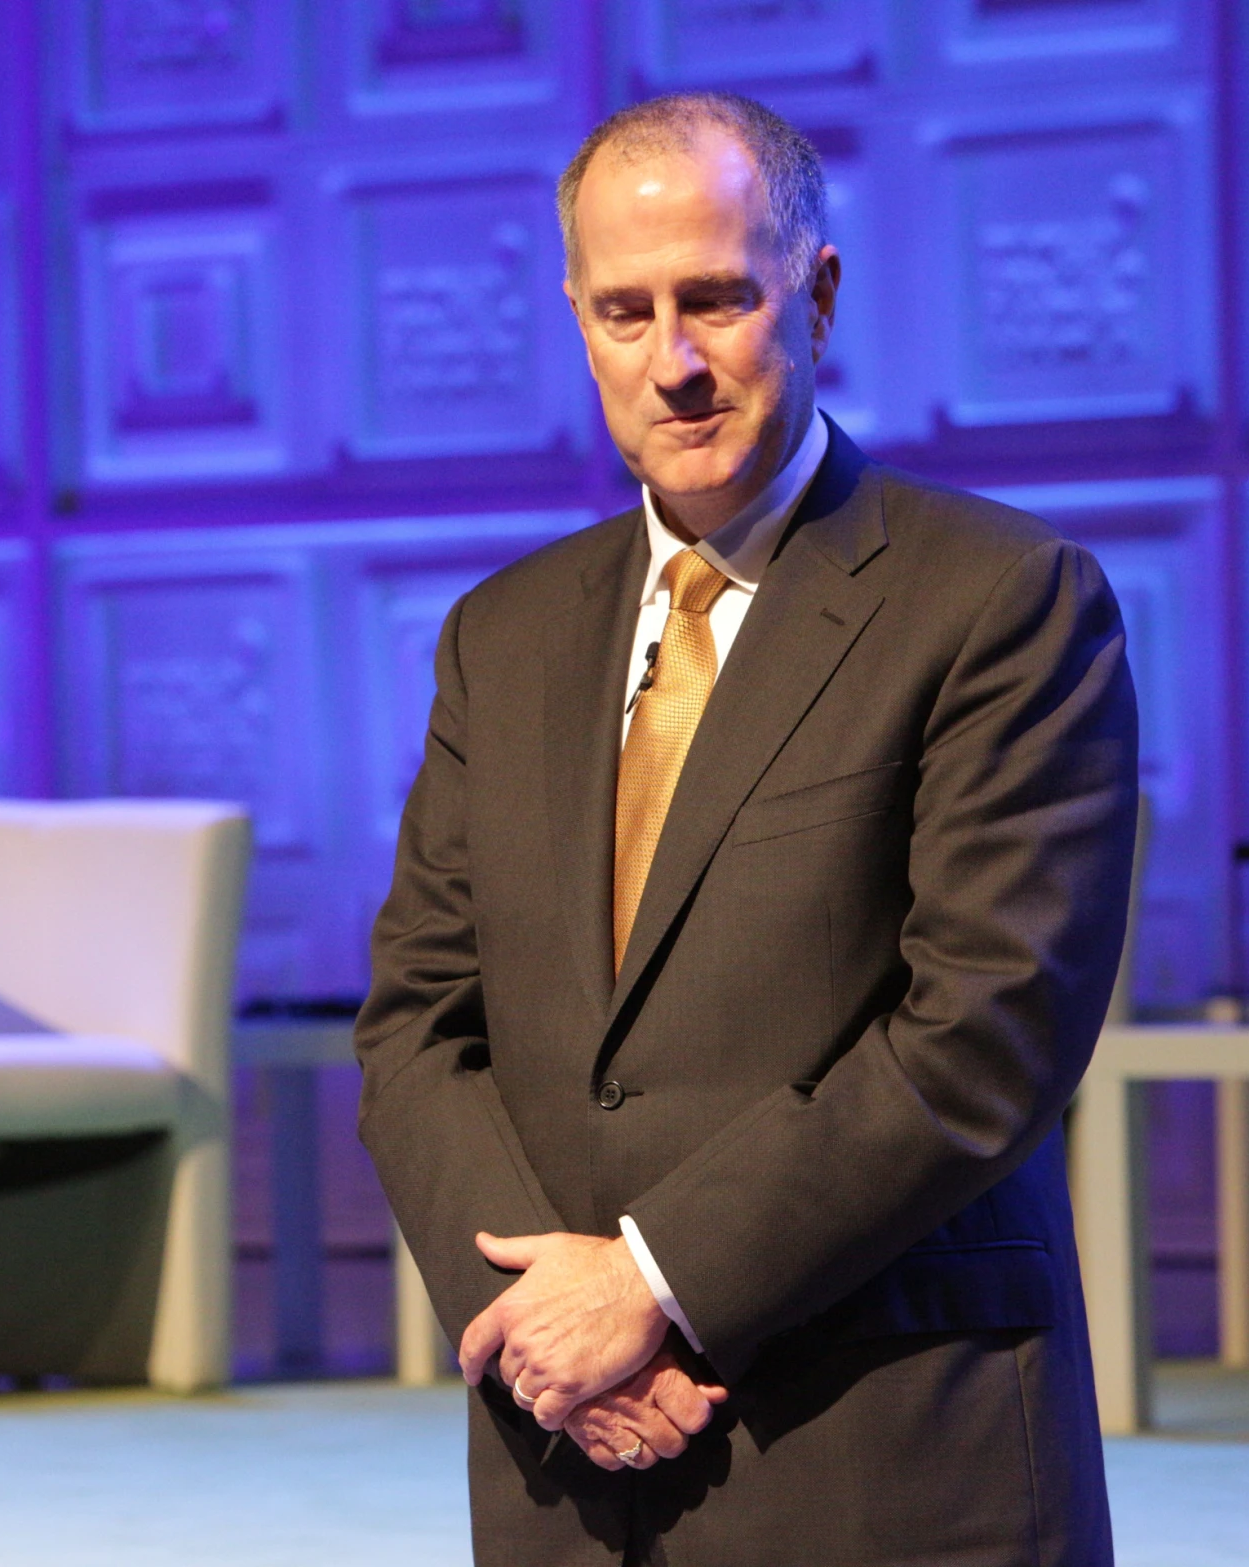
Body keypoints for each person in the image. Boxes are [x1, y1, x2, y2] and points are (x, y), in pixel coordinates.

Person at [357, 92, 1136, 1565]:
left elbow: (987, 1031)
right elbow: (415, 1026)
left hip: (889, 1450)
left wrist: (650, 1279)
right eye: (623, 311)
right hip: (572, 1456)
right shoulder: (499, 634)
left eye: (716, 298)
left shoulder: (1000, 599)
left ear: (818, 294)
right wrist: (539, 1325)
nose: (676, 363)